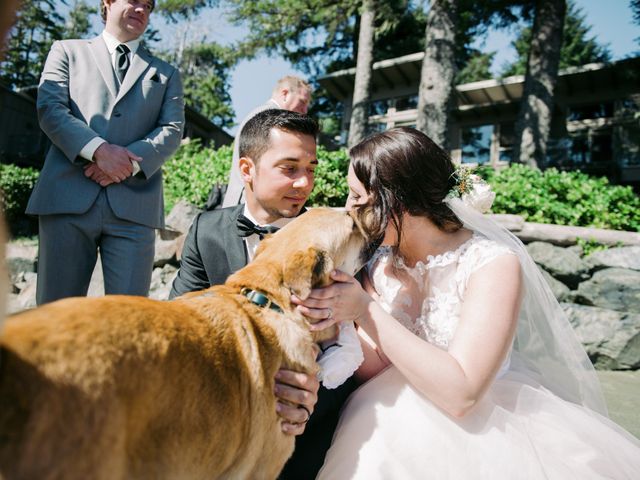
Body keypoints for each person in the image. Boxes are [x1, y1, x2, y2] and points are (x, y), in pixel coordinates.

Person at [293, 127, 640, 479]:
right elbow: (365, 364)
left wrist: (364, 309)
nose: (348, 209)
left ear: (395, 200)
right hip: (374, 426)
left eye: (356, 196)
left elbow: (462, 394)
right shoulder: (373, 262)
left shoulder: (491, 264)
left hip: (481, 441)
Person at [169, 108, 357, 479]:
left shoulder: (333, 239)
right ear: (247, 170)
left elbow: (351, 350)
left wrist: (308, 400)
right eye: (289, 168)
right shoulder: (206, 231)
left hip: (304, 431)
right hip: (219, 419)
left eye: (311, 169)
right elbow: (180, 321)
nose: (305, 183)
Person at [27, 0, 184, 305]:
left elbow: (172, 130)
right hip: (66, 200)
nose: (142, 10)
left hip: (135, 208)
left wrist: (124, 163)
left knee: (128, 320)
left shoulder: (166, 73)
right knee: (56, 317)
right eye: (134, 1)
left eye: (148, 6)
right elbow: (50, 109)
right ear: (107, 3)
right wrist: (98, 151)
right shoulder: (66, 51)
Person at [222, 76, 312, 208]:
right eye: (302, 102)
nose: (305, 111)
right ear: (285, 94)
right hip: (247, 208)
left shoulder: (259, 114)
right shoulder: (269, 118)